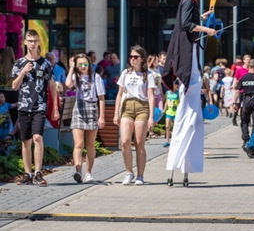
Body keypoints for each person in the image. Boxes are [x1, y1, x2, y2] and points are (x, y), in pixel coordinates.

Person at [162, 0, 218, 184]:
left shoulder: (191, 0)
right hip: (186, 56)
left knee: (192, 103)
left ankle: (183, 167)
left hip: (190, 54)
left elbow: (187, 21)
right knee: (190, 99)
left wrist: (202, 18)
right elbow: (185, 25)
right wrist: (206, 29)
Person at [11, 30, 59, 186]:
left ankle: (38, 172)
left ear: (39, 43)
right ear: (25, 42)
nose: (32, 44)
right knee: (26, 141)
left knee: (37, 137)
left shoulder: (45, 63)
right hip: (24, 105)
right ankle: (27, 173)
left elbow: (52, 86)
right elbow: (14, 86)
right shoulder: (19, 63)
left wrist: (55, 108)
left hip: (40, 105)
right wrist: (23, 72)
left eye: (35, 41)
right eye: (30, 41)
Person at [113, 45, 156, 185]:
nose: (132, 59)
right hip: (127, 106)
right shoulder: (126, 73)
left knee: (139, 143)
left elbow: (150, 96)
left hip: (142, 106)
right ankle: (128, 171)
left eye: (135, 57)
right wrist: (116, 113)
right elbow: (119, 94)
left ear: (142, 59)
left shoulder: (148, 75)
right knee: (125, 141)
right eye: (131, 57)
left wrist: (151, 117)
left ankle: (140, 175)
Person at [65, 53, 105, 183]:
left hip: (92, 108)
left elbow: (101, 98)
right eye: (80, 64)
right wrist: (71, 68)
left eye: (85, 64)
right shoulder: (76, 76)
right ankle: (78, 171)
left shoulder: (95, 77)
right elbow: (67, 84)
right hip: (79, 108)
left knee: (90, 144)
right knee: (78, 143)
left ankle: (88, 172)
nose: (83, 67)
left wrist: (102, 117)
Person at [235, 59, 254, 150]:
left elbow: (237, 91)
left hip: (246, 100)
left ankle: (245, 140)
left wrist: (235, 103)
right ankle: (253, 142)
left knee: (244, 121)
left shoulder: (244, 77)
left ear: (248, 66)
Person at [163, 80, 180, 147]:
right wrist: (164, 109)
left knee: (176, 127)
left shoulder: (178, 93)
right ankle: (167, 140)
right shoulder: (167, 92)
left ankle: (176, 140)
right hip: (169, 111)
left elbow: (180, 101)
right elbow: (166, 101)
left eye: (174, 85)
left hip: (176, 112)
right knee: (167, 126)